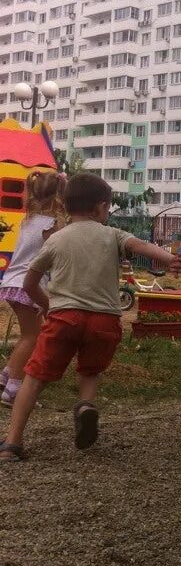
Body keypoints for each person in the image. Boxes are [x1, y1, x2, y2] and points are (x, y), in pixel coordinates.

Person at [0, 173, 181, 462]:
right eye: (107, 208)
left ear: (68, 205)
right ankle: (85, 406)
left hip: (64, 317)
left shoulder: (56, 239)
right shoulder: (113, 235)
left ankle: (12, 444)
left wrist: (47, 306)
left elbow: (29, 284)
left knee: (34, 377)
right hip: (104, 321)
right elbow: (142, 247)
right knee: (89, 370)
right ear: (100, 208)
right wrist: (172, 259)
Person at [0, 171, 67, 407]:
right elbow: (55, 255)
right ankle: (13, 390)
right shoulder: (51, 225)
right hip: (28, 285)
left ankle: (7, 377)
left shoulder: (28, 220)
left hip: (13, 282)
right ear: (60, 196)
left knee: (28, 335)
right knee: (33, 337)